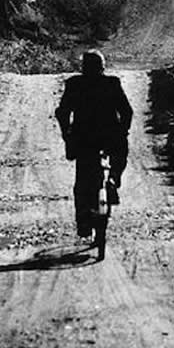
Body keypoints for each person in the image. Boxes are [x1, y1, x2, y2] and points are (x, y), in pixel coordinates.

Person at [55, 50, 132, 239]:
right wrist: (122, 131)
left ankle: (83, 223)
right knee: (120, 153)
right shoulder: (112, 83)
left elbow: (63, 112)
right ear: (102, 67)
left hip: (84, 139)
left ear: (83, 68)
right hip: (110, 136)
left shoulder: (74, 84)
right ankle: (114, 177)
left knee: (82, 182)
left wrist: (67, 133)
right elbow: (127, 112)